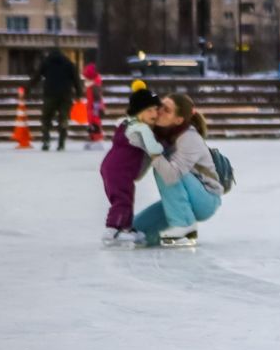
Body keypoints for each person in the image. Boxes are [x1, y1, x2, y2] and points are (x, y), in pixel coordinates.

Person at [132, 93, 223, 247]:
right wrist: (137, 142)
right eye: (160, 106)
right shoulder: (157, 136)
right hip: (181, 201)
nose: (159, 111)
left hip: (206, 199)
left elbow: (171, 176)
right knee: (135, 231)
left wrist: (151, 148)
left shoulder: (189, 137)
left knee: (165, 168)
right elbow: (137, 174)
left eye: (166, 110)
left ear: (178, 120)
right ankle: (164, 234)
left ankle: (184, 228)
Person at [100, 87, 163, 246]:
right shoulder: (140, 128)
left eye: (156, 109)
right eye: (149, 110)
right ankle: (112, 230)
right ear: (138, 111)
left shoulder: (128, 124)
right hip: (119, 169)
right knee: (122, 200)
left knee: (126, 198)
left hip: (115, 167)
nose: (154, 114)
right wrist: (164, 145)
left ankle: (126, 228)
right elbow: (153, 148)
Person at [31, 48, 83, 151]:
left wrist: (28, 88)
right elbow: (76, 79)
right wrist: (79, 94)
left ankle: (46, 140)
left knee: (46, 118)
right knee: (63, 118)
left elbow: (36, 76)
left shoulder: (46, 62)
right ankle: (61, 142)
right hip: (65, 95)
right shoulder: (69, 63)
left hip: (50, 94)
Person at [81, 62, 106, 150]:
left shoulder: (94, 85)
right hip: (91, 108)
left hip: (94, 108)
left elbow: (97, 99)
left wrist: (96, 110)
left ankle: (97, 139)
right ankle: (92, 138)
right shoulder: (91, 84)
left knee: (95, 124)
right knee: (92, 124)